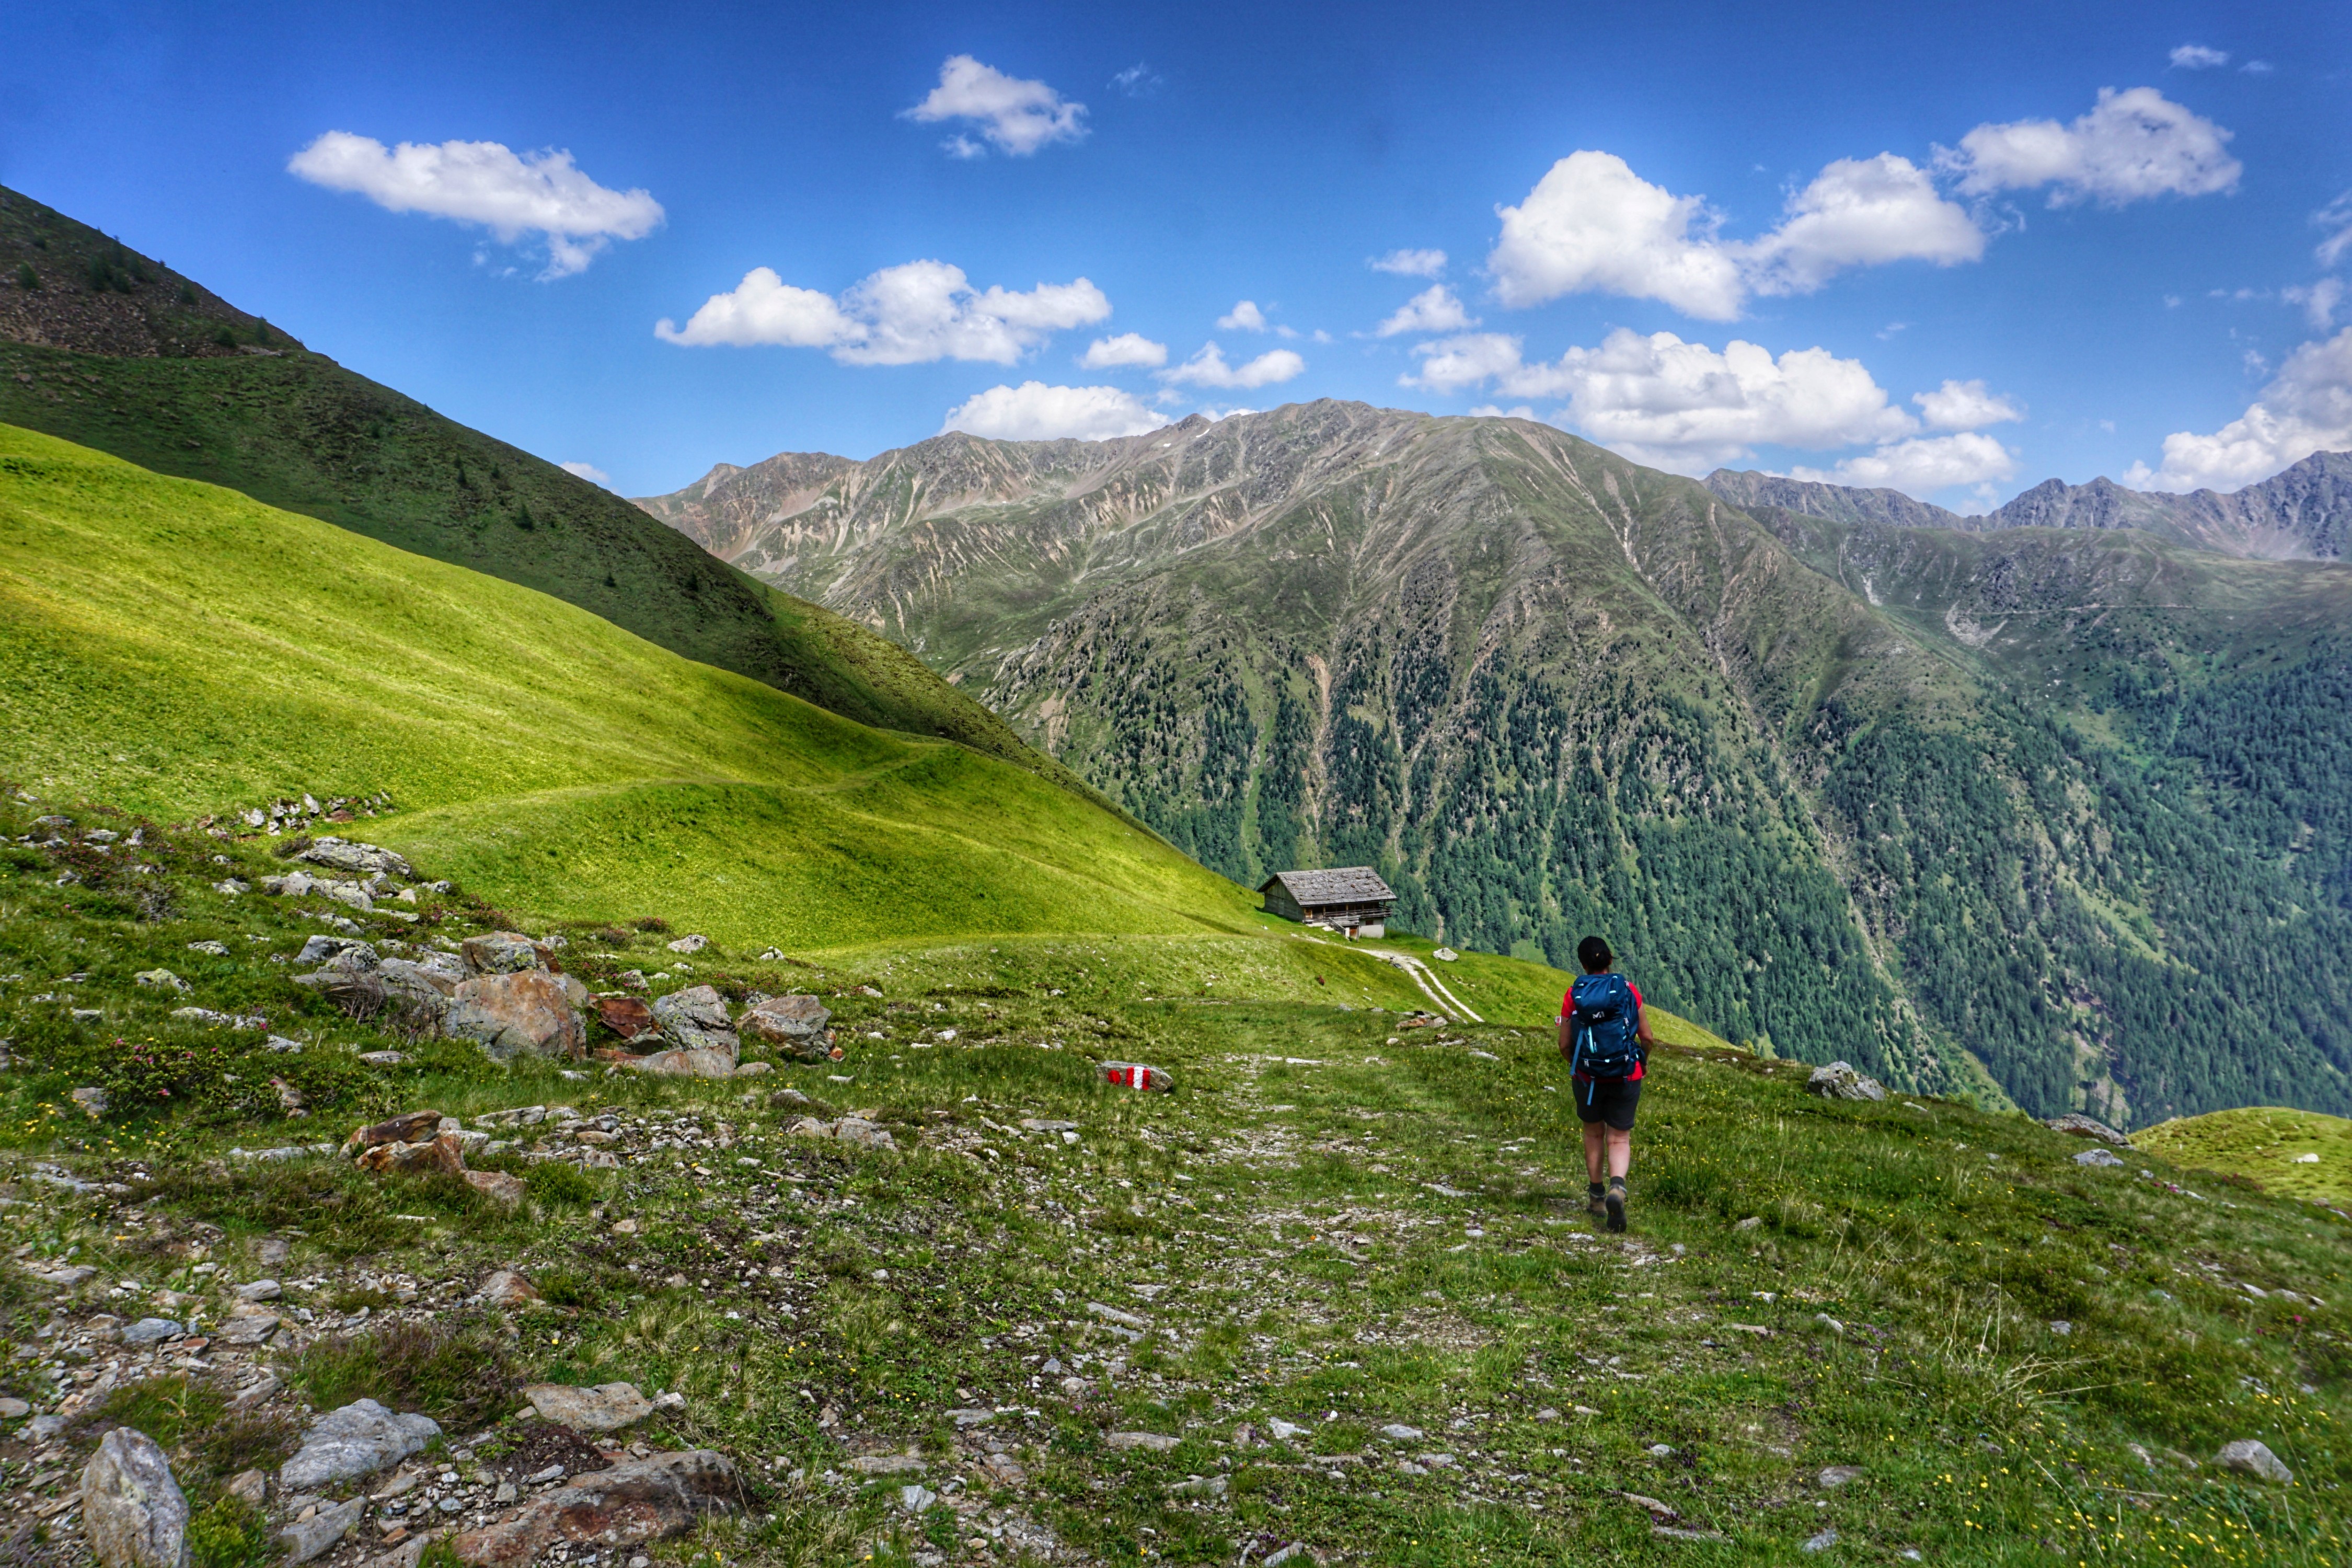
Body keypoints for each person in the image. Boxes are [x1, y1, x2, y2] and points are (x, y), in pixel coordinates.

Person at [1559, 935, 1656, 1231]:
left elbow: (1564, 1044)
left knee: (1593, 1134)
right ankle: (1618, 1188)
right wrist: (1644, 1061)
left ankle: (1597, 1197)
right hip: (1626, 1074)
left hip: (1588, 1078)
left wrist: (1580, 1069)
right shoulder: (1628, 990)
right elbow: (1647, 1037)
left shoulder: (1573, 995)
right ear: (1610, 960)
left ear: (1583, 964)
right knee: (1619, 1138)